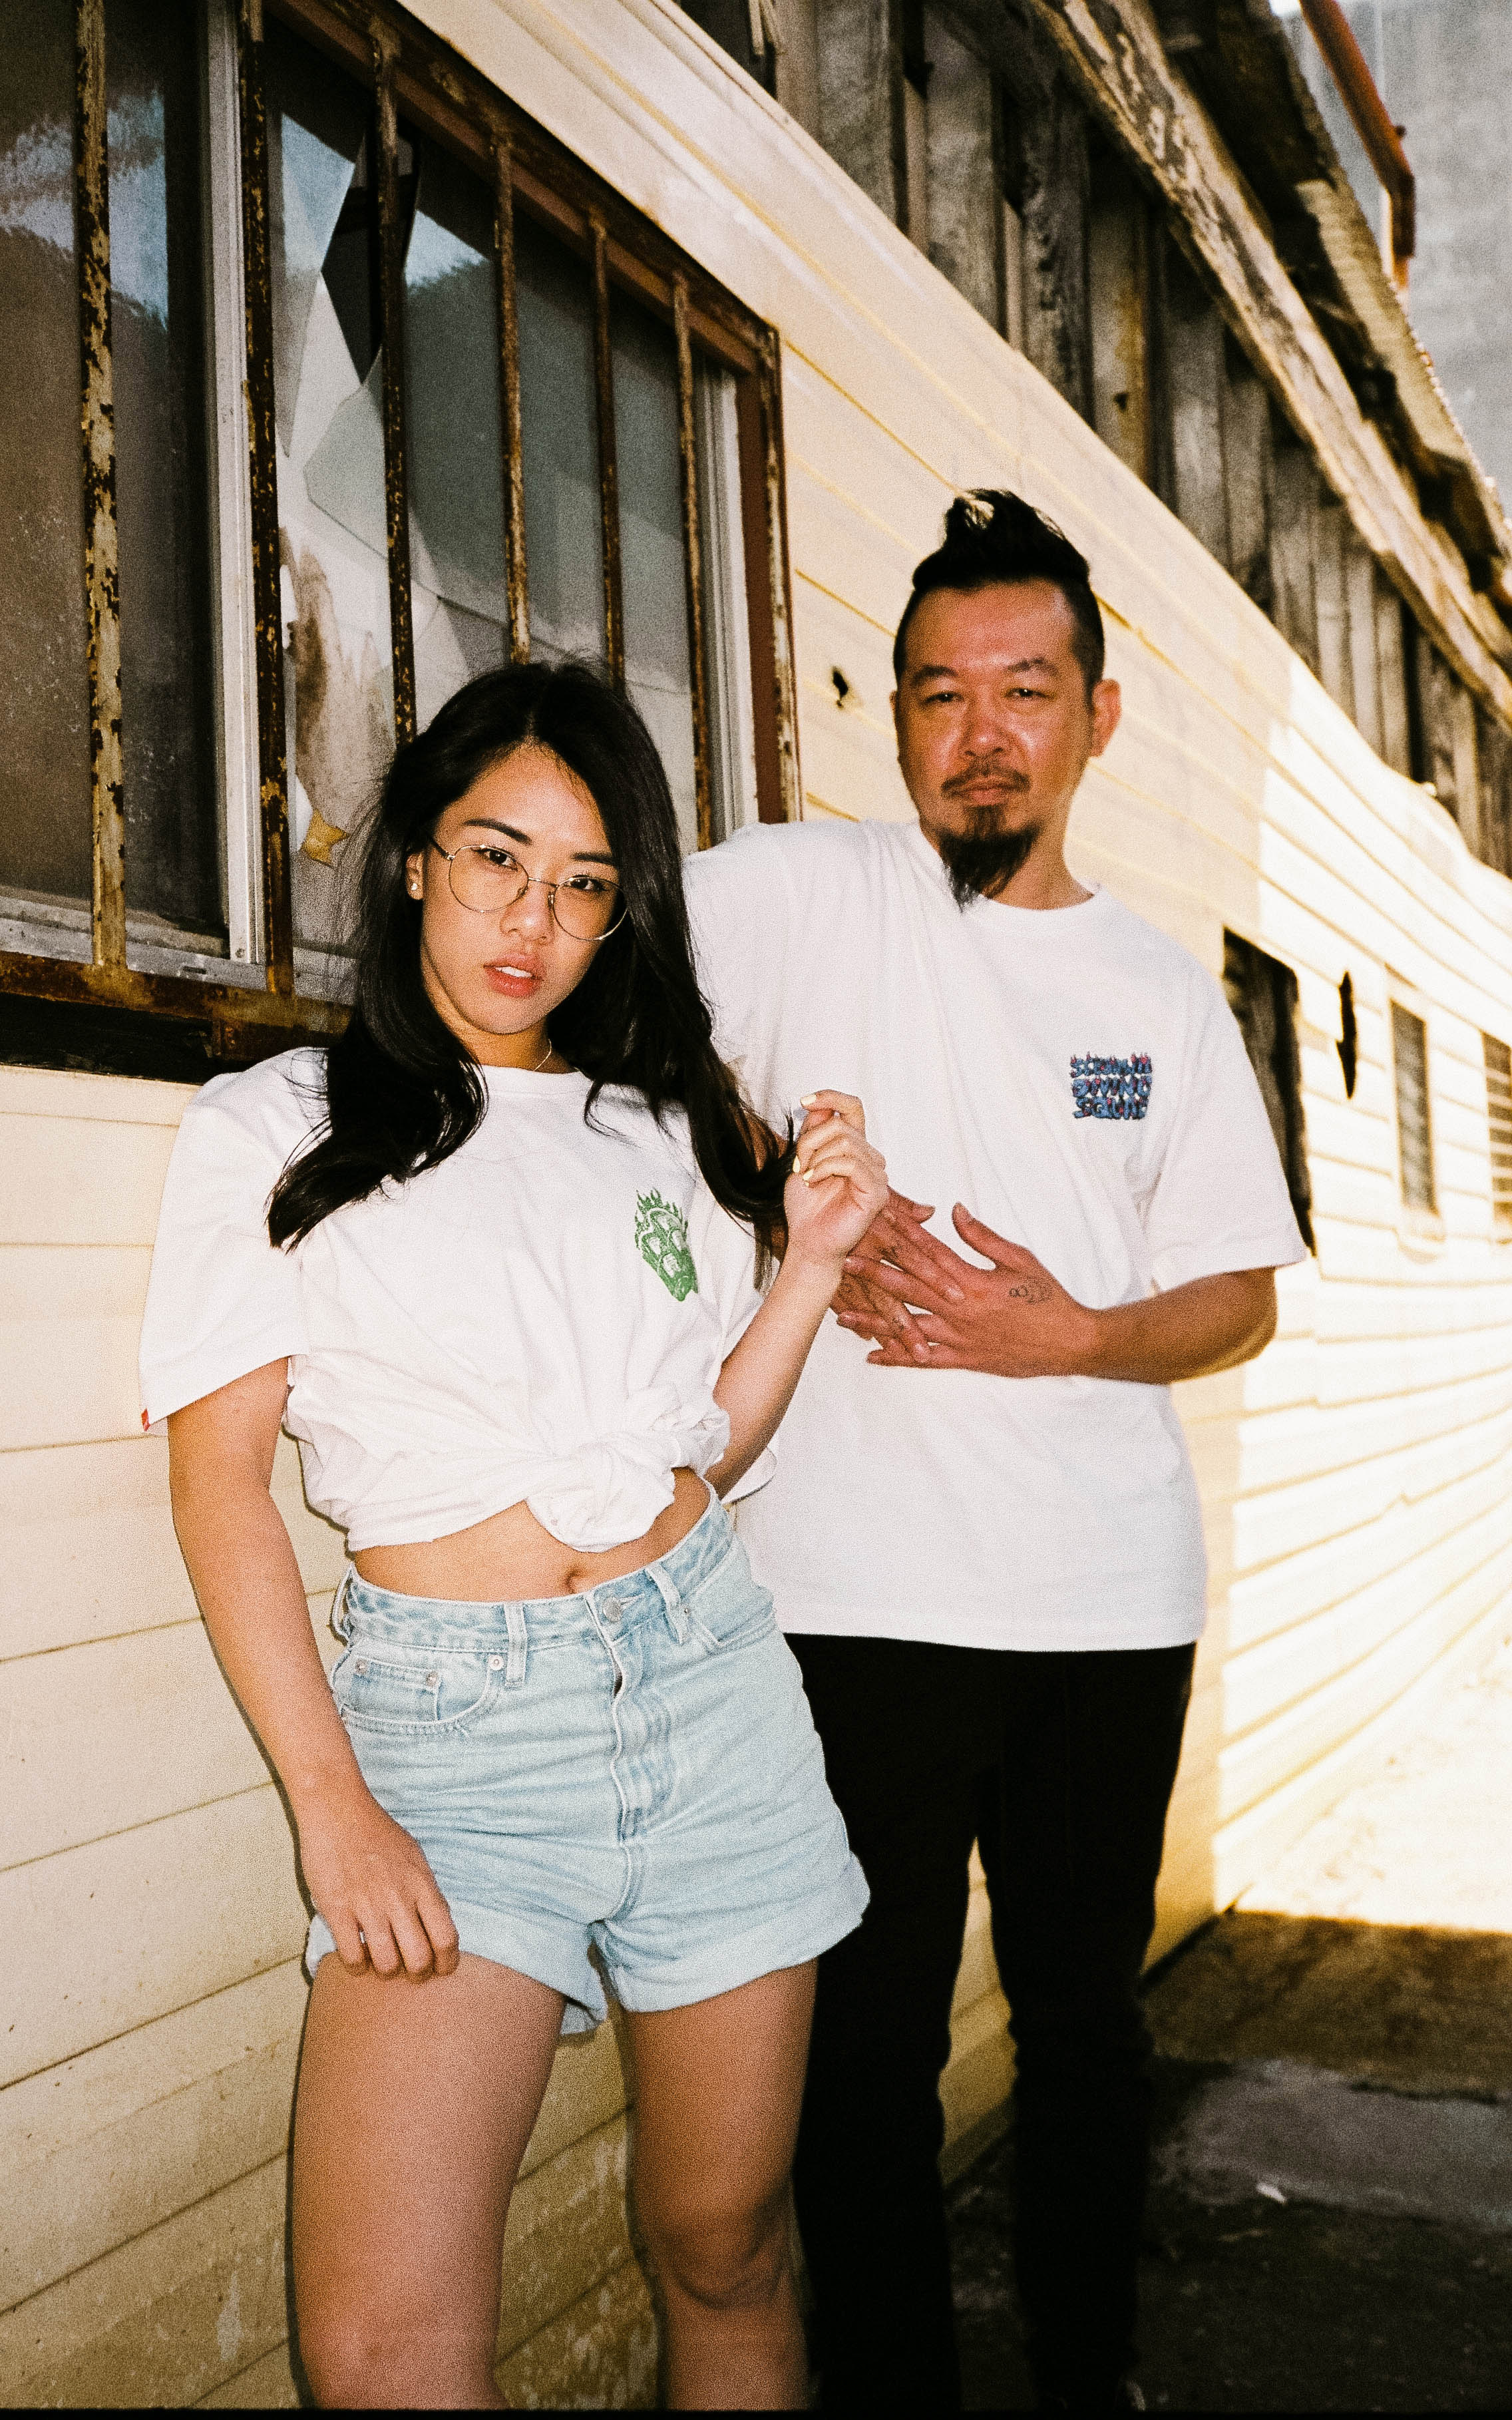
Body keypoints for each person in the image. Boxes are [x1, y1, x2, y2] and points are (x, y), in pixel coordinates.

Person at [138, 662, 886, 2409]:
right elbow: (218, 1482)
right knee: (386, 2353)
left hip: (714, 1697)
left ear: (624, 911)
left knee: (727, 2243)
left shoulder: (659, 1126)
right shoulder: (275, 1126)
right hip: (458, 1747)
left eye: (584, 883)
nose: (530, 923)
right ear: (415, 854)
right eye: (495, 858)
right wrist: (335, 1810)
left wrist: (814, 1267)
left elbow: (700, 1451)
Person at [684, 491, 1308, 2410]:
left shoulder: (1159, 995)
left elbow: (1239, 1292)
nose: (980, 733)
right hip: (850, 1598)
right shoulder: (798, 896)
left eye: (1026, 689)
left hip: (1105, 1608)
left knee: (1087, 2032)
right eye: (940, 692)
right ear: (892, 716)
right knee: (863, 2054)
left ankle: (1087, 2374)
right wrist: (757, 1170)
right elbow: (582, 975)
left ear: (1096, 717)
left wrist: (1071, 1335)